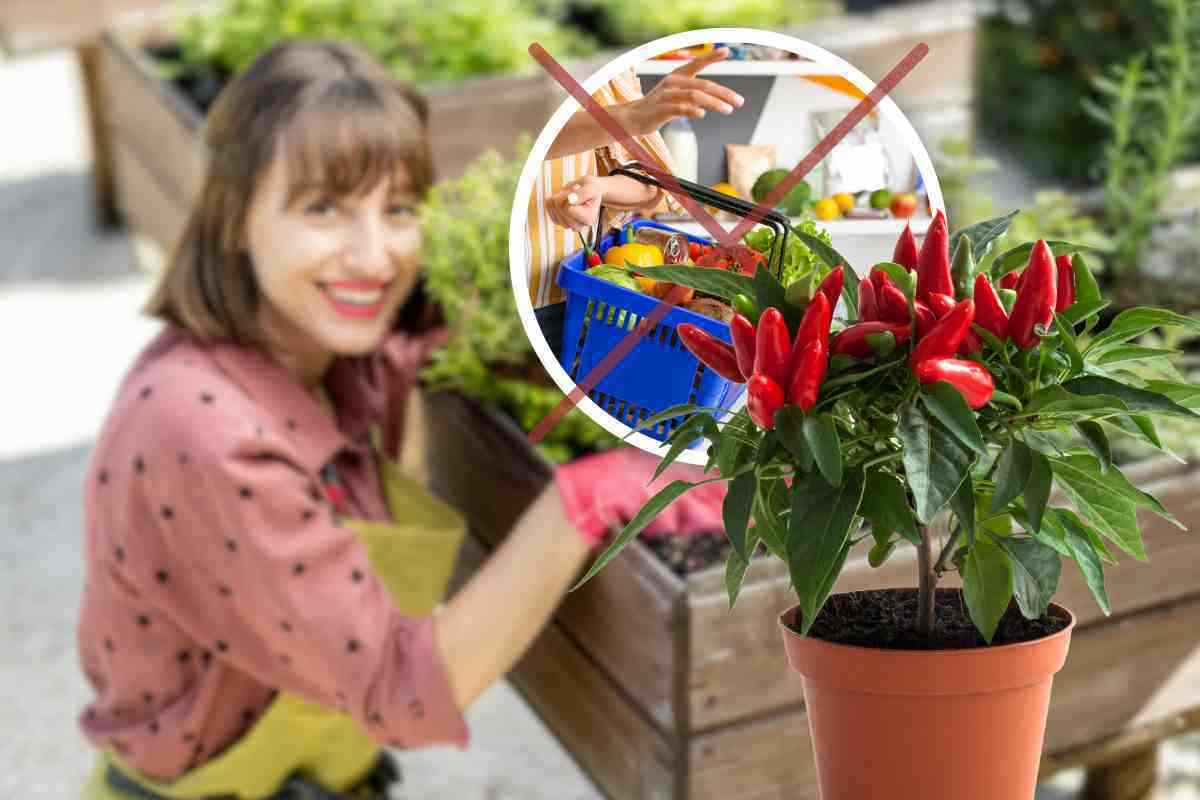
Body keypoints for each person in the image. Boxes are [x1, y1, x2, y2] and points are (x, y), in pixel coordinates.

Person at [77, 40, 726, 800]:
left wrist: (610, 129)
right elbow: (399, 686)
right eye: (323, 209)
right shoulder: (199, 428)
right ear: (231, 218)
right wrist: (583, 500)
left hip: (320, 772)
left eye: (397, 209)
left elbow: (481, 217)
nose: (373, 254)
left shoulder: (328, 346)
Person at [525, 47, 744, 308]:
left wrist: (600, 187)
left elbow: (650, 185)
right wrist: (629, 116)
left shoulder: (610, 66)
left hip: (575, 292)